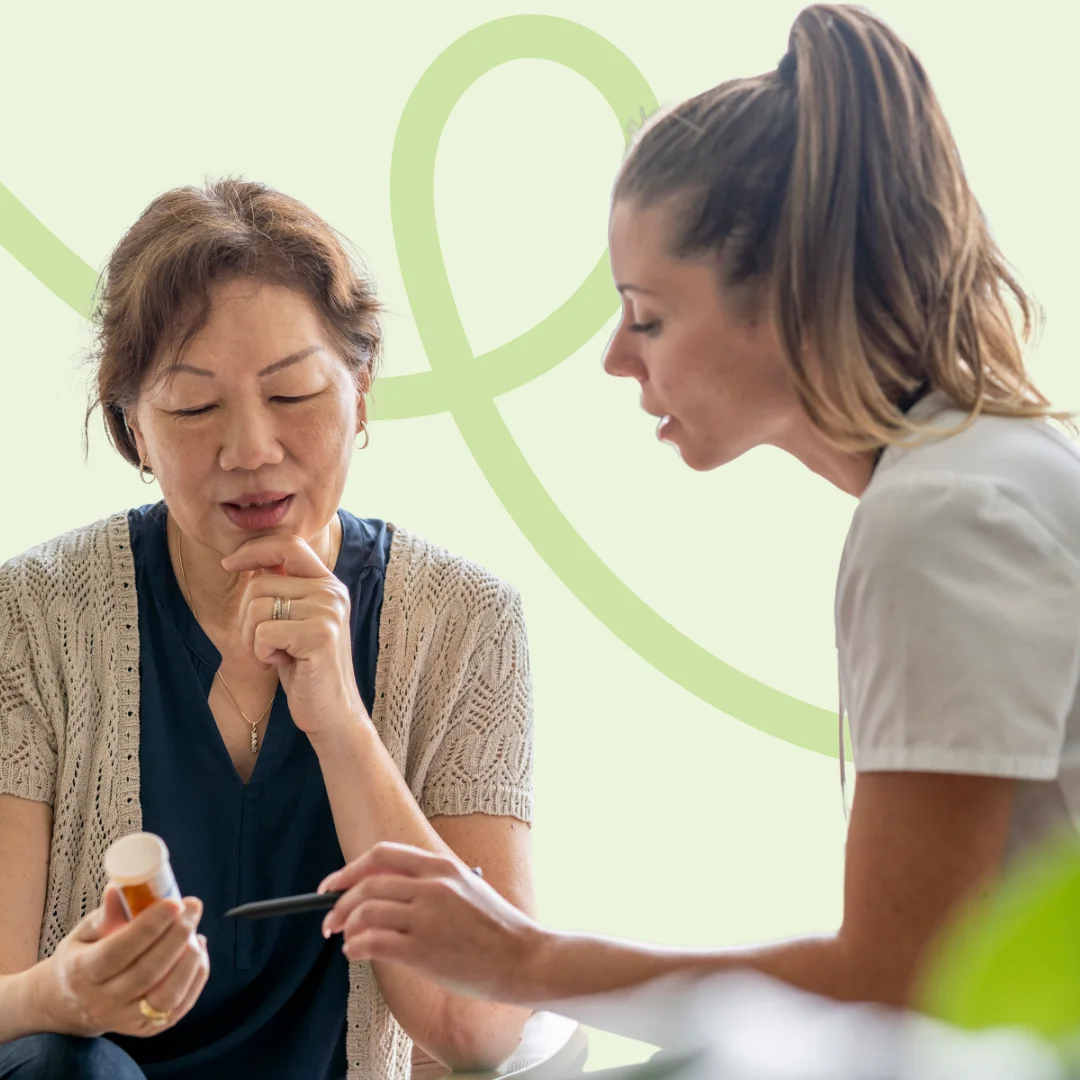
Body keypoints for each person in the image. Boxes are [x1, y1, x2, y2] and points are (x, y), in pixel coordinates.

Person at [312, 2, 1080, 1017]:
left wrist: (522, 959)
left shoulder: (938, 525)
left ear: (791, 296)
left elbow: (902, 981)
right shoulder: (996, 471)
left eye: (650, 315)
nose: (617, 358)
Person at [0, 179, 536, 1080]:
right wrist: (64, 994)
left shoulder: (463, 621)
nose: (250, 449)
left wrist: (340, 723)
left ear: (361, 393)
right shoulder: (35, 616)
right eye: (193, 409)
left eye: (292, 395)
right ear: (133, 427)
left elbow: (477, 1029)